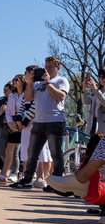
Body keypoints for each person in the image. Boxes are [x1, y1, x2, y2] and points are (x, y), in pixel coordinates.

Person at [15, 56, 70, 189]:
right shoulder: (38, 84)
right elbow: (28, 98)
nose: (48, 69)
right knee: (32, 152)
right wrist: (31, 83)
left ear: (58, 67)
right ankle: (27, 179)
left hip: (55, 121)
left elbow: (61, 96)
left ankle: (57, 182)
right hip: (38, 122)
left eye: (50, 66)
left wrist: (48, 83)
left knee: (55, 153)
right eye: (46, 67)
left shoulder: (61, 80)